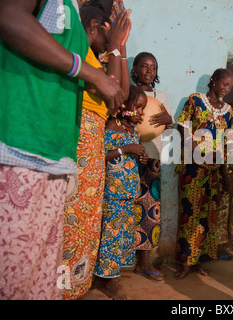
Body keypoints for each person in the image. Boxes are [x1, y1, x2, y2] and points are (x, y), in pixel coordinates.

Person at [0, 0, 124, 300]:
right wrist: (89, 72)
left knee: (36, 284)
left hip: (51, 161)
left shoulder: (73, 14)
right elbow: (4, 14)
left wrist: (95, 72)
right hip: (14, 151)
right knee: (6, 285)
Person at [61, 3, 131, 300]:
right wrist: (114, 48)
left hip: (93, 149)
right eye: (108, 36)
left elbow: (122, 96)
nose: (109, 46)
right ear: (94, 26)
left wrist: (120, 50)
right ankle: (59, 287)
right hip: (79, 144)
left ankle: (75, 285)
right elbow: (111, 90)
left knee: (87, 218)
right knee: (70, 216)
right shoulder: (78, 51)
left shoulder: (98, 60)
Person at [174, 68, 233, 279]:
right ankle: (185, 263)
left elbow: (228, 141)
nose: (226, 89)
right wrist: (197, 150)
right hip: (194, 168)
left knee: (208, 219)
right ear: (213, 81)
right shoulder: (195, 101)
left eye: (230, 86)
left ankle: (199, 261)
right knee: (189, 215)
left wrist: (225, 173)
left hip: (215, 172)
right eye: (224, 84)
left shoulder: (229, 111)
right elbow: (182, 127)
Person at [93, 85, 148, 300]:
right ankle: (109, 283)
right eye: (138, 107)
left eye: (143, 109)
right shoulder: (111, 126)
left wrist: (140, 157)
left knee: (122, 237)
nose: (142, 113)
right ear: (125, 106)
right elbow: (101, 156)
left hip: (128, 192)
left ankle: (107, 277)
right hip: (112, 193)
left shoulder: (135, 132)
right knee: (111, 236)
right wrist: (126, 150)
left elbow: (129, 159)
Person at [131, 52, 174, 283]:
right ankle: (117, 261)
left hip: (153, 158)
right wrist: (131, 115)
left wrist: (169, 120)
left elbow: (171, 128)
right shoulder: (127, 91)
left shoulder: (161, 97)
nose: (149, 71)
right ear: (135, 69)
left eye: (153, 67)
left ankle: (144, 262)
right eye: (144, 66)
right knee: (124, 208)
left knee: (150, 209)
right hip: (128, 156)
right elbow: (118, 115)